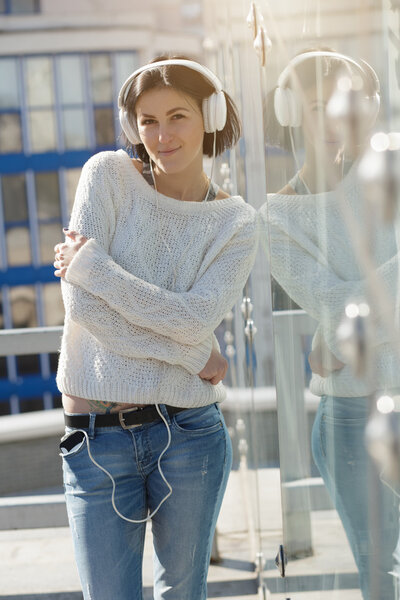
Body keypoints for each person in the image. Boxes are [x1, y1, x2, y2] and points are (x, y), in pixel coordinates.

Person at [53, 55, 259, 600]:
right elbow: (82, 307)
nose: (161, 135)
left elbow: (195, 319)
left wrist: (94, 267)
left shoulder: (236, 222)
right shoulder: (106, 175)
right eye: (147, 121)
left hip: (190, 436)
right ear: (131, 126)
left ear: (210, 117)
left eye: (178, 116)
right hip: (97, 438)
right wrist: (194, 357)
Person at [260, 49, 400, 599]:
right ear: (293, 111)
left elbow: (343, 319)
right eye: (319, 105)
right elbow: (340, 314)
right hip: (348, 418)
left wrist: (335, 337)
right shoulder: (278, 216)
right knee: (379, 576)